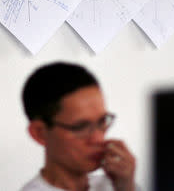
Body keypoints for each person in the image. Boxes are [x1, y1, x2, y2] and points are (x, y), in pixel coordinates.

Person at [20, 62, 138, 191]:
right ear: (40, 133)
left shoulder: (115, 184)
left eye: (102, 121)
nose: (98, 138)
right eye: (80, 127)